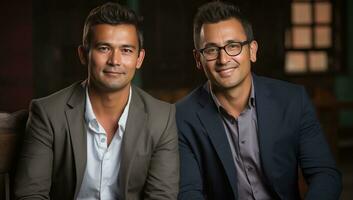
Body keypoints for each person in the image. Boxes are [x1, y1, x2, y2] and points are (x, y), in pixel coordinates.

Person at [176, 1, 341, 200]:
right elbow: (188, 193)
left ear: (252, 51)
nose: (223, 59)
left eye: (233, 46)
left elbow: (325, 175)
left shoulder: (292, 100)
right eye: (211, 50)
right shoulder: (181, 117)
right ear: (198, 59)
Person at [15, 2, 179, 200]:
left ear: (139, 58)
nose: (115, 60)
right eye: (104, 48)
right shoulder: (48, 113)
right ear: (83, 55)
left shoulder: (161, 118)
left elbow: (161, 196)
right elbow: (30, 195)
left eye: (126, 50)